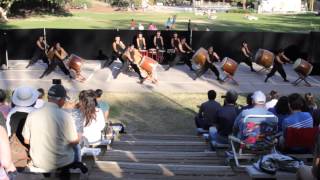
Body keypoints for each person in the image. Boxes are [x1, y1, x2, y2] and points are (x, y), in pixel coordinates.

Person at [22, 84, 87, 175]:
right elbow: (74, 142)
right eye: (64, 99)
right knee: (77, 147)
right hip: (61, 162)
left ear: (48, 98)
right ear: (61, 100)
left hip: (38, 162)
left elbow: (26, 141)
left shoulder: (32, 114)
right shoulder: (66, 117)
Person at [6, 86, 39, 167]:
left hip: (16, 149)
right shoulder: (37, 113)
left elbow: (9, 134)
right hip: (33, 149)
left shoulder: (12, 113)